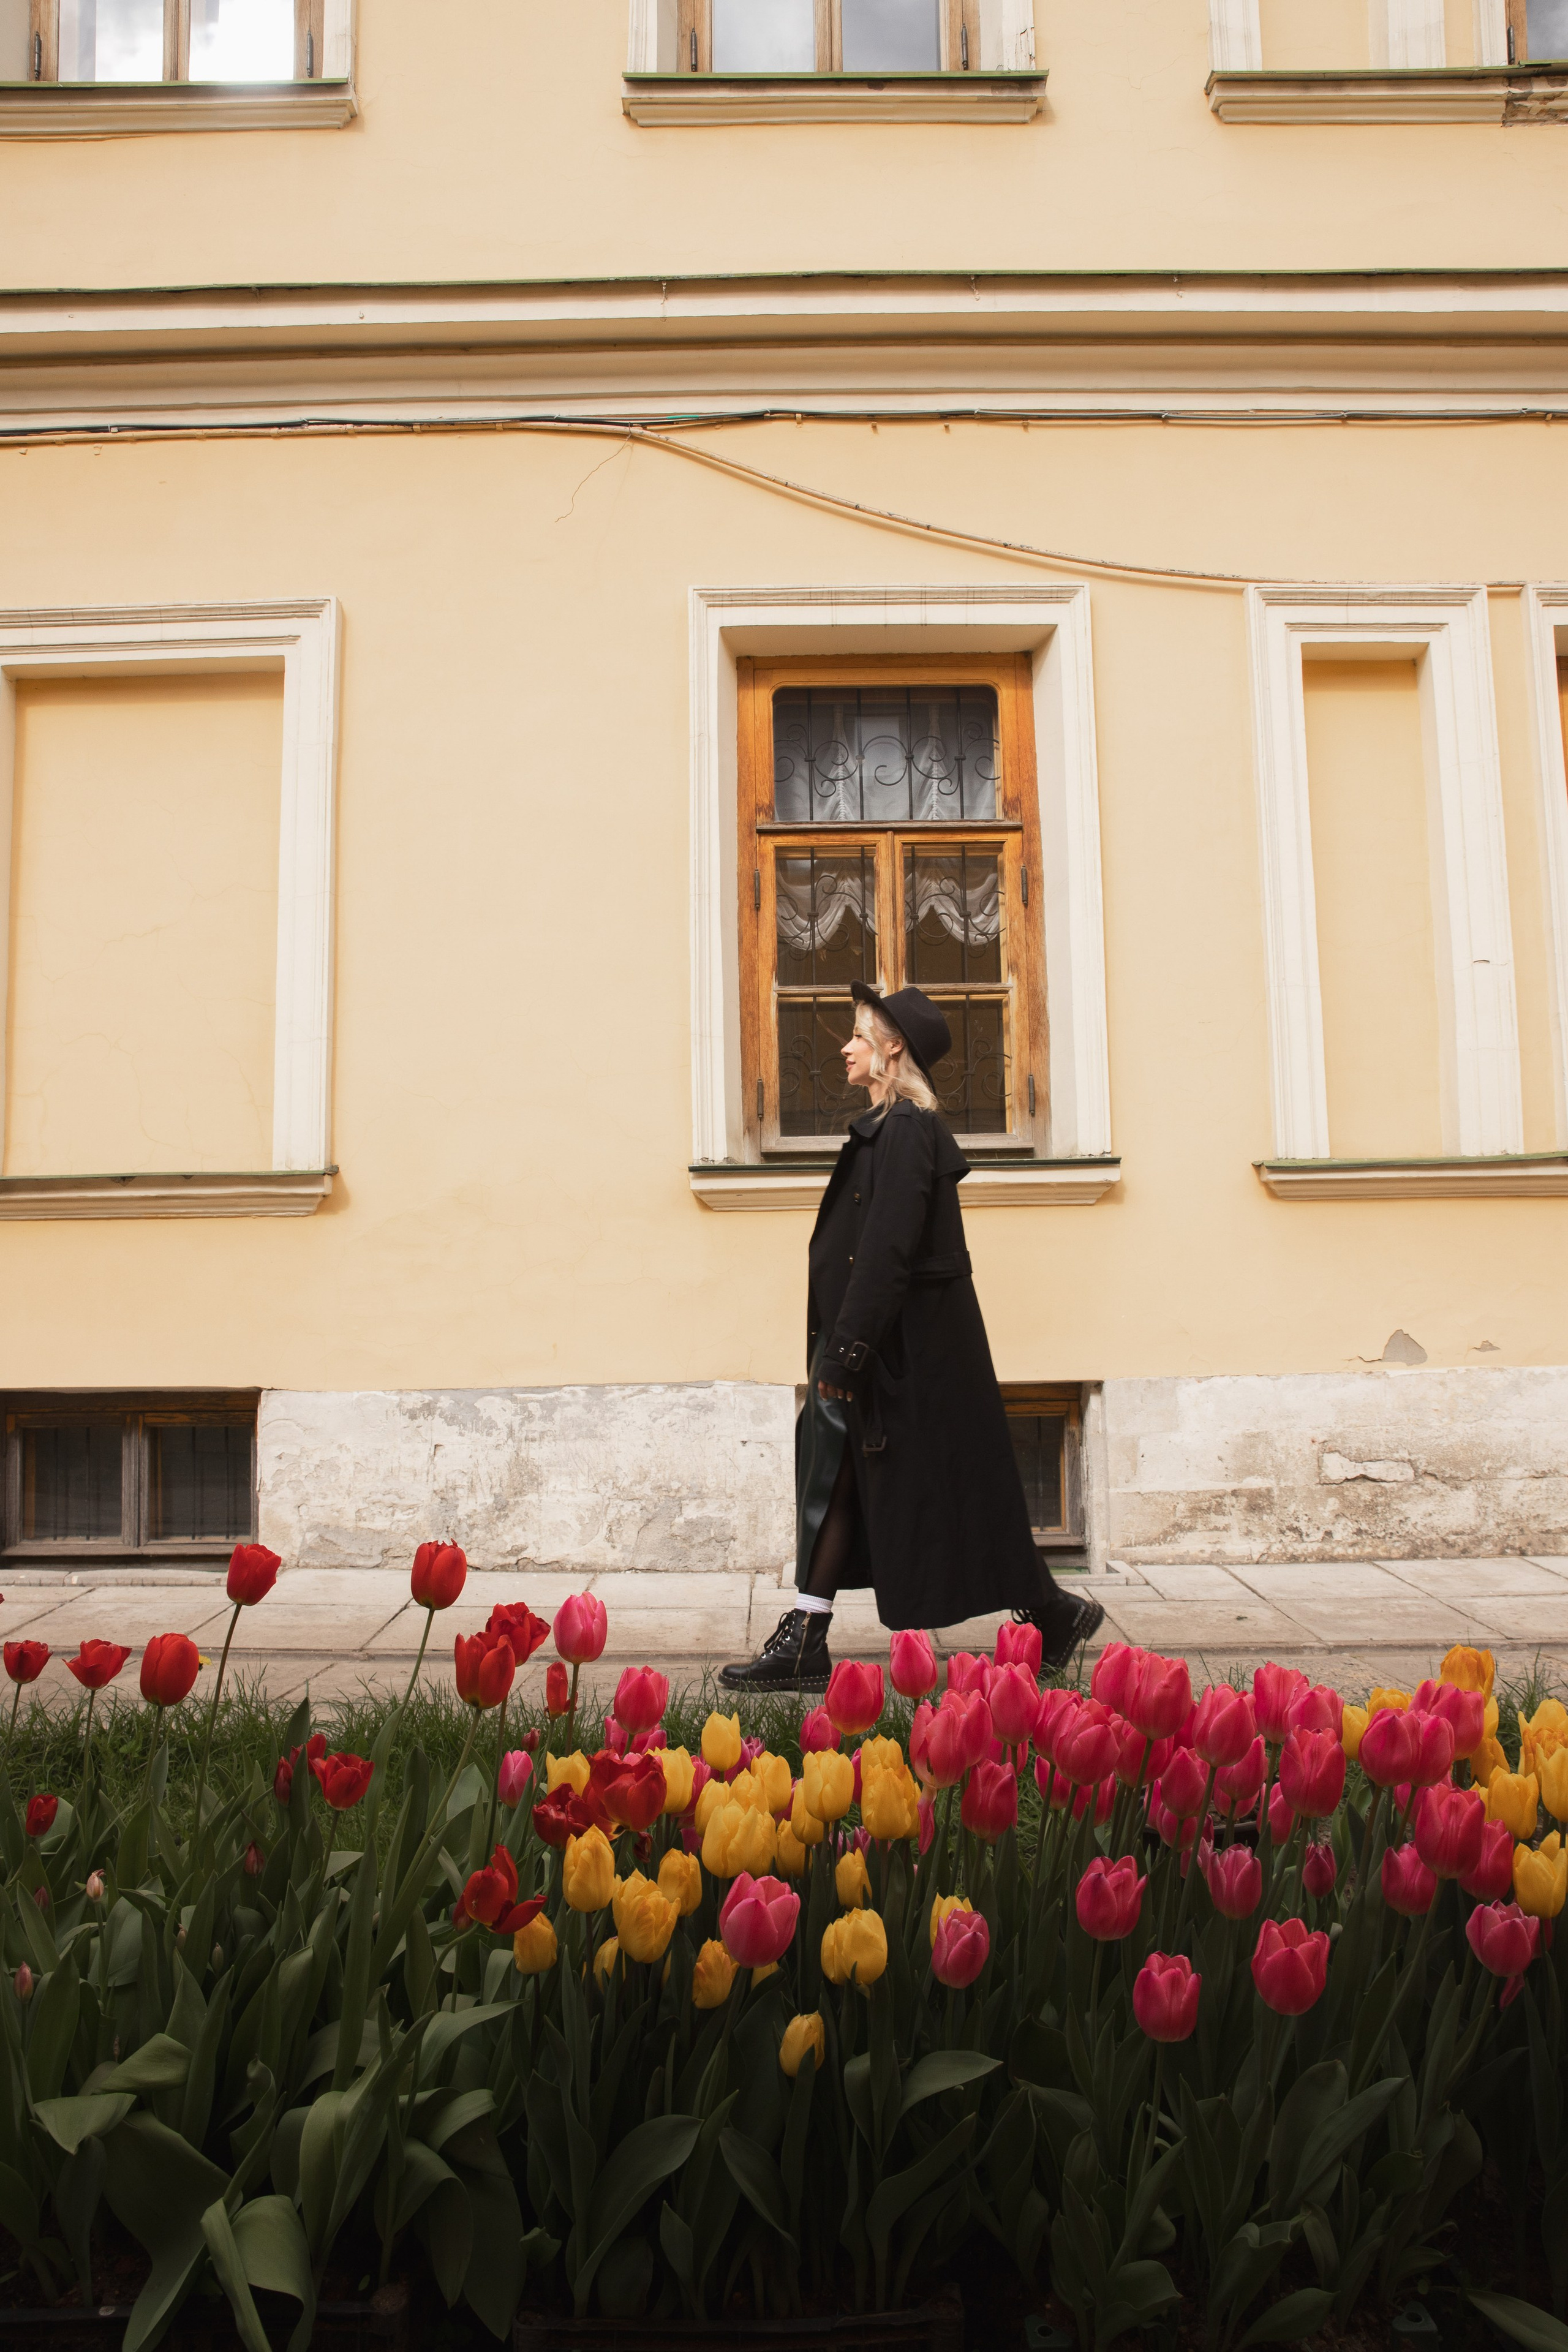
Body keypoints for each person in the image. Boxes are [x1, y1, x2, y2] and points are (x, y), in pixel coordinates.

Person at [722, 981, 1103, 1692]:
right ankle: (811, 1634)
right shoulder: (893, 1130)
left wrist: (847, 1352)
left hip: (906, 1356)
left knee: (937, 1487)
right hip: (902, 1349)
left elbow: (887, 1251)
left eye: (859, 1037)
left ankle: (1044, 1611)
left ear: (891, 1048)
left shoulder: (902, 1130)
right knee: (868, 1479)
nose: (845, 1047)